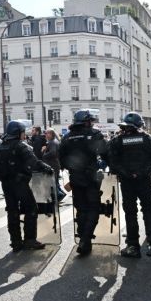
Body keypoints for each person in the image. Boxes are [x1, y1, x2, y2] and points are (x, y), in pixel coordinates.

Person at [108, 112, 151, 260]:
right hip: (144, 181)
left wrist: (127, 174)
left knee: (130, 213)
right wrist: (141, 173)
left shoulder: (116, 140)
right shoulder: (148, 139)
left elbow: (113, 163)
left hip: (127, 183)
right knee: (149, 211)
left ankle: (133, 246)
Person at [0, 121, 54, 252]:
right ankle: (30, 240)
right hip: (20, 183)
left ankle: (15, 241)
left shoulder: (1, 146)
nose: (23, 134)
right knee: (31, 209)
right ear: (17, 133)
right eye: (22, 132)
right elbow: (33, 161)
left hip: (6, 184)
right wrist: (46, 167)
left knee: (12, 211)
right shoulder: (20, 146)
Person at [59, 110, 108, 256]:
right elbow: (106, 153)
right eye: (90, 121)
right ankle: (85, 239)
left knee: (81, 209)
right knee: (93, 208)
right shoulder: (94, 134)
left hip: (76, 178)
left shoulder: (67, 137)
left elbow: (61, 158)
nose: (92, 123)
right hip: (91, 178)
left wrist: (73, 168)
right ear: (86, 122)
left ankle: (82, 238)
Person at [41, 128, 66, 202]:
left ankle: (58, 196)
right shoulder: (53, 141)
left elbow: (53, 152)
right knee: (54, 183)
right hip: (54, 165)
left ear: (51, 134)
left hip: (53, 165)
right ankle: (58, 196)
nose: (45, 135)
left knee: (52, 183)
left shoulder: (52, 142)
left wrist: (44, 153)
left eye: (47, 133)